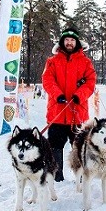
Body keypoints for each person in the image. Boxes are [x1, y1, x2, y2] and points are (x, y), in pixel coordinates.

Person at [41, 26, 96, 181]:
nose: (69, 42)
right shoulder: (51, 61)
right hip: (57, 112)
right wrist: (58, 95)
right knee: (55, 146)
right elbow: (47, 80)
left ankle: (80, 176)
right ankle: (56, 176)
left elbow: (91, 82)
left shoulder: (86, 62)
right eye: (67, 40)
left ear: (77, 42)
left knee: (79, 146)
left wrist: (80, 95)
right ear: (62, 41)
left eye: (72, 40)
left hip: (77, 113)